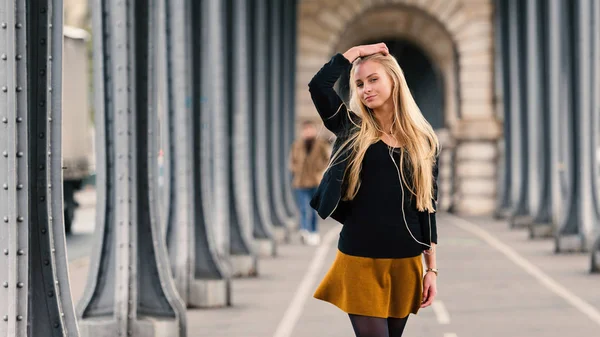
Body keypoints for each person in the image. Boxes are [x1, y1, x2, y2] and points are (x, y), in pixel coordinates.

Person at [308, 42, 439, 337]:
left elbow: (427, 207)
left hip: (405, 263)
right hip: (360, 259)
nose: (365, 89)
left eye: (373, 79)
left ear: (394, 80)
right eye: (359, 83)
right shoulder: (351, 128)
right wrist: (354, 53)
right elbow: (319, 87)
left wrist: (431, 270)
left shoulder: (423, 141)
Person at [289, 120, 331, 245]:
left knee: (313, 209)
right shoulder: (297, 144)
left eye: (310, 129)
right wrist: (295, 169)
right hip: (300, 182)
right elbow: (292, 160)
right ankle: (304, 231)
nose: (308, 132)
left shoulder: (320, 144)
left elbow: (328, 158)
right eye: (305, 130)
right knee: (303, 208)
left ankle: (313, 232)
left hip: (315, 182)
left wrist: (322, 171)